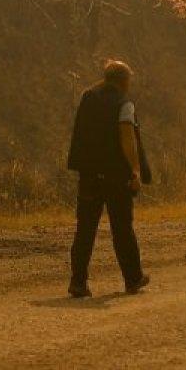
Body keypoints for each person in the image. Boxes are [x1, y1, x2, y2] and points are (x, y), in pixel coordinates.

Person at [66, 60, 150, 297]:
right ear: (124, 81)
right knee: (122, 228)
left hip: (90, 174)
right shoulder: (124, 104)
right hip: (115, 176)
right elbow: (127, 137)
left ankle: (78, 283)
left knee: (85, 228)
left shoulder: (88, 97)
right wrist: (135, 170)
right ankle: (133, 279)